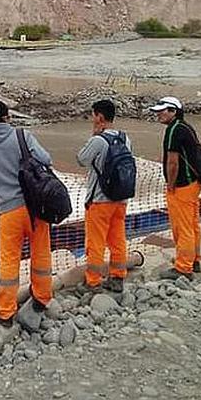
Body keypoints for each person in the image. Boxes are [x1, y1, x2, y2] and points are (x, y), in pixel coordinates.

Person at [0, 100, 54, 326]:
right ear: (7, 117)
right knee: (41, 254)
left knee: (9, 261)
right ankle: (42, 297)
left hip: (8, 210)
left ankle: (6, 311)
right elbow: (46, 159)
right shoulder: (22, 136)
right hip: (35, 208)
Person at [76, 99, 130, 294]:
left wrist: (93, 135)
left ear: (99, 117)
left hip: (99, 200)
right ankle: (117, 276)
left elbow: (81, 159)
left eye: (93, 115)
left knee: (95, 242)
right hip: (121, 199)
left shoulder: (98, 140)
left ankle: (93, 280)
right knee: (118, 239)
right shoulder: (125, 138)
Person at [150, 96, 201, 279]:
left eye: (161, 111)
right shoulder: (187, 127)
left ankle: (183, 267)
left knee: (183, 228)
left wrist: (170, 185)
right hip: (193, 184)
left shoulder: (174, 130)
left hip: (181, 186)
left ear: (173, 111)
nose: (158, 114)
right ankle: (194, 260)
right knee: (193, 224)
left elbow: (173, 162)